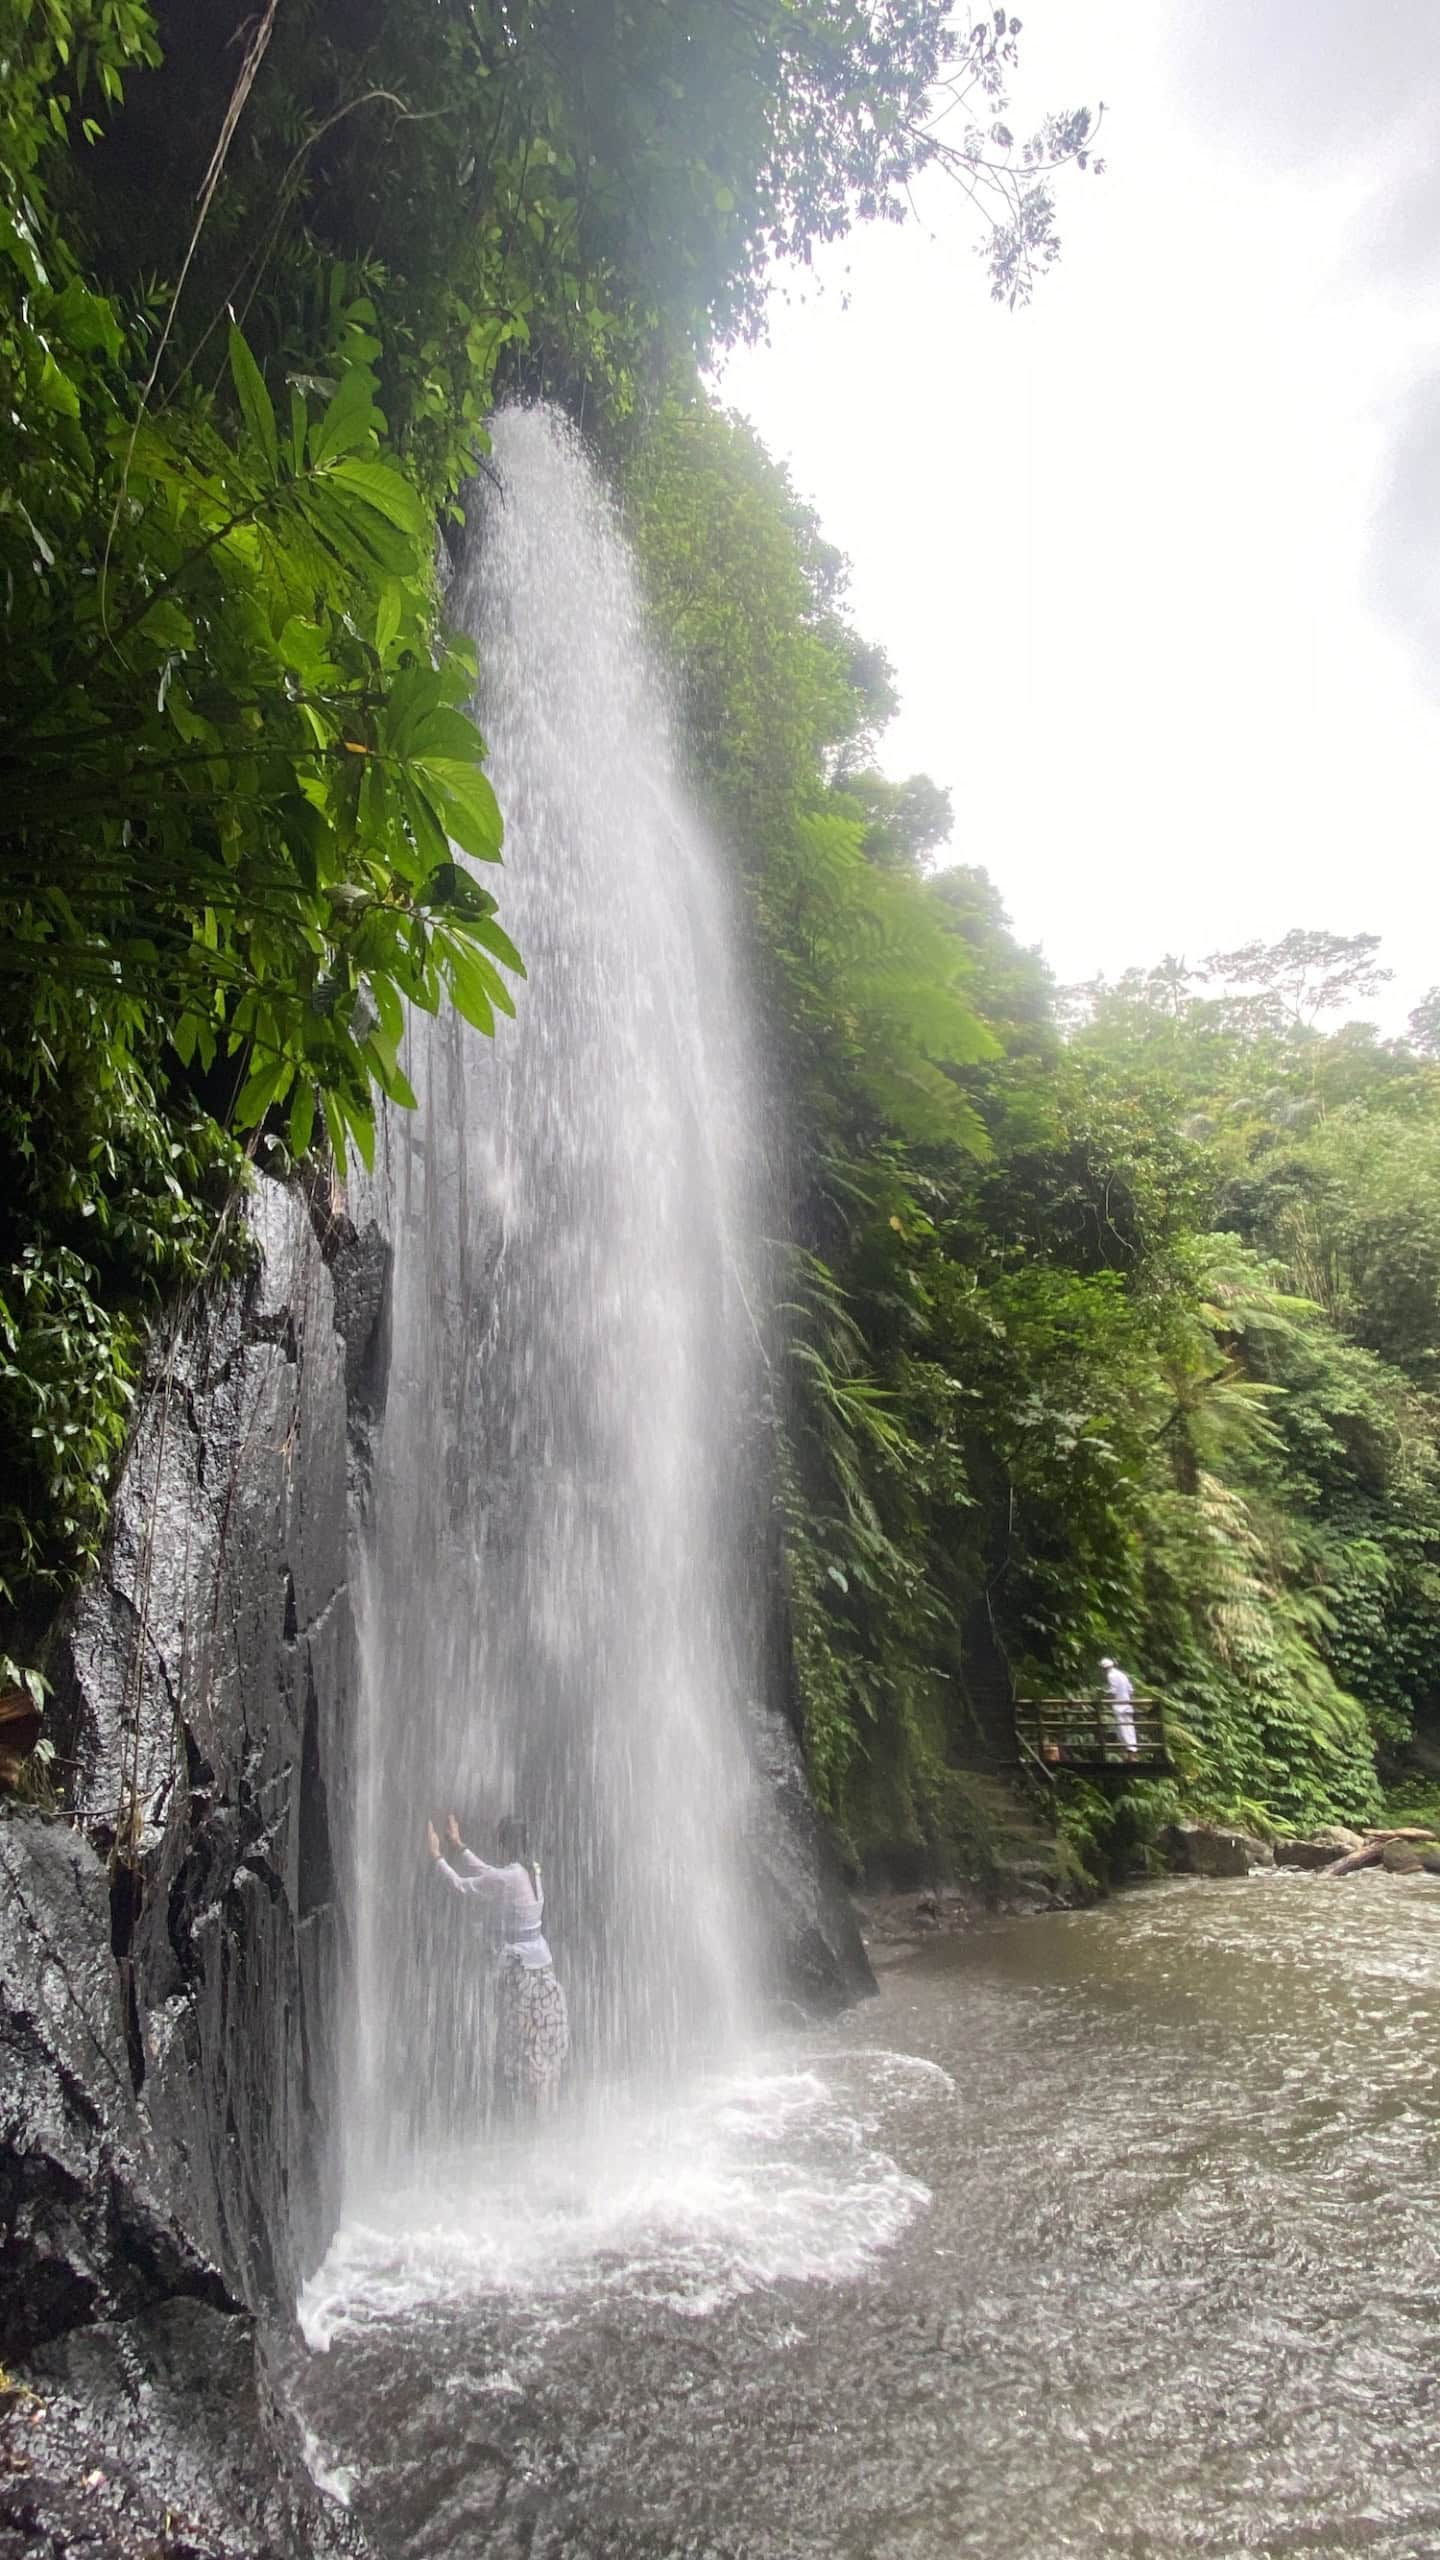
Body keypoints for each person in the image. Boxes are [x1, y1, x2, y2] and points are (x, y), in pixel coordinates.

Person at [426, 1810, 569, 2110]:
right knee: (546, 2052)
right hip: (544, 1973)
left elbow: (465, 1885)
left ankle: (534, 2122)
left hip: (522, 1977)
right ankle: (548, 2121)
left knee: (527, 2051)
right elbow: (490, 1873)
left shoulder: (511, 1877)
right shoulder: (533, 1870)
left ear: (505, 1844)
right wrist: (458, 1845)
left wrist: (438, 1857)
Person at [1099, 1657, 1138, 1756]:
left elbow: (1113, 1691)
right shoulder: (1122, 1674)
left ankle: (1129, 1754)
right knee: (1129, 1728)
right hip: (1127, 1704)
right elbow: (1131, 1690)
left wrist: (1103, 1695)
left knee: (1123, 1729)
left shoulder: (1111, 1676)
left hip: (1119, 1706)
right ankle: (1132, 1753)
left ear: (1104, 1669)